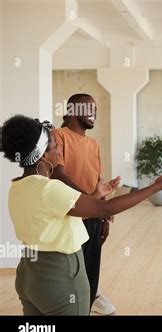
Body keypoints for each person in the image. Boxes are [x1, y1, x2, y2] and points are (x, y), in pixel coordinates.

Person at [1, 115, 162, 315]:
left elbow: (56, 214)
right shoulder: (50, 188)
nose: (59, 150)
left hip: (29, 275)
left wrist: (95, 195)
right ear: (42, 155)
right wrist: (155, 187)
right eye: (54, 146)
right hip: (59, 275)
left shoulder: (17, 187)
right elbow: (106, 209)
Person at [50, 93, 117, 314]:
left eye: (95, 109)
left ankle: (88, 306)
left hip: (93, 218)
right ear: (72, 112)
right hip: (68, 218)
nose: (93, 113)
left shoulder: (94, 145)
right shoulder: (58, 135)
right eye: (88, 108)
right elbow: (57, 174)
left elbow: (98, 182)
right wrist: (88, 201)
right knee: (69, 277)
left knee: (90, 274)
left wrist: (104, 213)